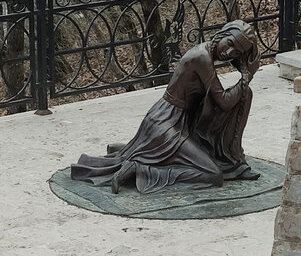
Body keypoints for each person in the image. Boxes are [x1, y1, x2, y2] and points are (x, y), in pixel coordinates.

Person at [70, 19, 261, 193]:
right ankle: (140, 168)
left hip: (182, 122)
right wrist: (247, 76)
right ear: (222, 34)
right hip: (166, 124)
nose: (228, 53)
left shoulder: (209, 53)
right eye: (229, 44)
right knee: (213, 176)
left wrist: (244, 73)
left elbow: (223, 101)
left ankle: (233, 164)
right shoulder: (200, 57)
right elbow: (224, 101)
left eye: (236, 52)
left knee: (245, 94)